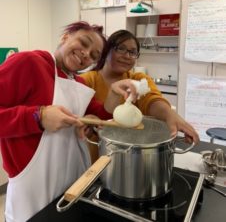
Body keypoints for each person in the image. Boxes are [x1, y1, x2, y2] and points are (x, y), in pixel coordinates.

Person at [0, 22, 138, 222]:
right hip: (34, 188)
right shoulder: (30, 62)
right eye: (83, 43)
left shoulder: (77, 83)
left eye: (93, 56)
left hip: (72, 181)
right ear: (65, 37)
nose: (86, 54)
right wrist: (39, 117)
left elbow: (99, 115)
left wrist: (113, 94)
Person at [80, 29, 200, 162]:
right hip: (95, 156)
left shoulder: (138, 79)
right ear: (106, 50)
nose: (127, 56)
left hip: (134, 158)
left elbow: (152, 100)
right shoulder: (86, 80)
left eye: (133, 52)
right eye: (121, 48)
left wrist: (169, 114)